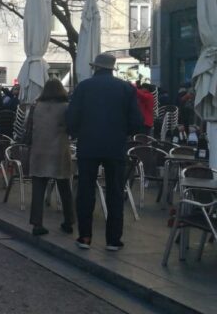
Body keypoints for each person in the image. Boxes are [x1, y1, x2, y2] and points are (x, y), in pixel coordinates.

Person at [67, 54, 143, 251]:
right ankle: (113, 239)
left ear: (95, 68)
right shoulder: (126, 88)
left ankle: (85, 236)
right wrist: (121, 133)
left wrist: (76, 132)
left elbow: (72, 117)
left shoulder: (84, 87)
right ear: (112, 69)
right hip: (115, 147)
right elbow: (137, 122)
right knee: (115, 192)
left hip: (88, 146)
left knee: (85, 191)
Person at [27, 79, 74, 236]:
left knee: (38, 189)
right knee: (64, 188)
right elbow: (72, 129)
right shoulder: (67, 108)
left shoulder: (36, 107)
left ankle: (37, 224)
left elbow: (27, 132)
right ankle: (69, 221)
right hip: (59, 151)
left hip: (39, 151)